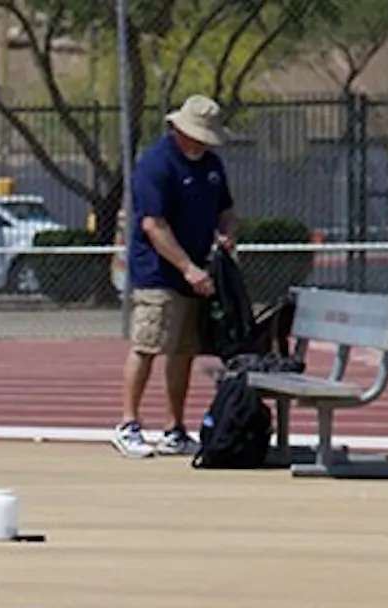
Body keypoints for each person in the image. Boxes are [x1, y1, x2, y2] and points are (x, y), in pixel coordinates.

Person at [114, 93, 237, 458]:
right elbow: (153, 224)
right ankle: (128, 423)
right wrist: (187, 268)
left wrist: (227, 232)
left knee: (183, 351)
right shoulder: (156, 164)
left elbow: (226, 210)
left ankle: (174, 428)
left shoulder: (211, 165)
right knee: (148, 345)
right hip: (158, 274)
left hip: (197, 272)